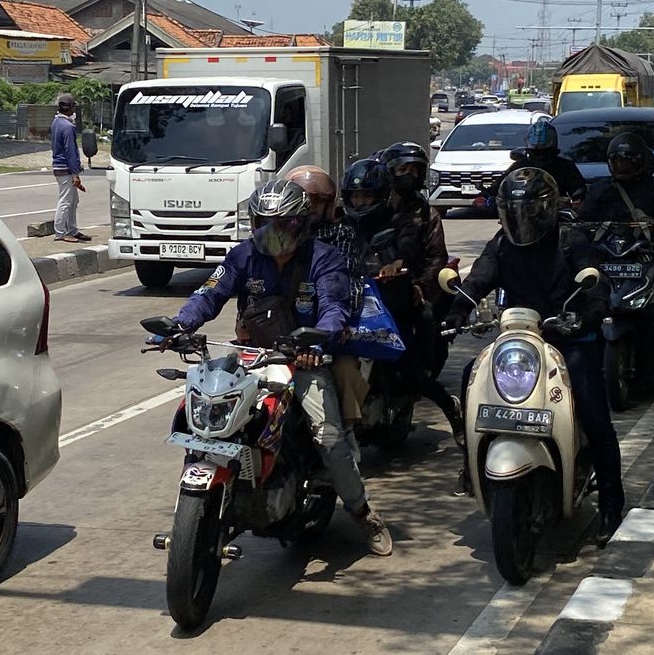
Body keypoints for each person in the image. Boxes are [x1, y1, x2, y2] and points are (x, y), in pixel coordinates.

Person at [172, 179, 393, 556]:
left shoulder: (324, 258)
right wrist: (180, 325)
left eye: (283, 224)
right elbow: (209, 293)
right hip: (252, 358)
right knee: (207, 419)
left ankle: (362, 512)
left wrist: (316, 341)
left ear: (301, 223)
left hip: (303, 360)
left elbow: (334, 306)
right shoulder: (242, 256)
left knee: (328, 437)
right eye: (264, 223)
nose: (272, 233)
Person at [445, 168, 625, 543]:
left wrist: (588, 311)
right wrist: (456, 310)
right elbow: (478, 279)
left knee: (593, 412)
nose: (520, 221)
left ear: (545, 210)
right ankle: (470, 462)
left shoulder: (570, 241)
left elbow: (597, 285)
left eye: (527, 213)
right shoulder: (501, 245)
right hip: (518, 343)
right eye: (512, 213)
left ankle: (611, 504)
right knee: (468, 375)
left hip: (568, 339)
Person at [581, 132, 654, 398]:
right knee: (572, 294)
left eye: (628, 159)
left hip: (647, 256)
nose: (622, 165)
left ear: (641, 161)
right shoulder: (600, 188)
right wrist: (575, 239)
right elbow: (581, 221)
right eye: (617, 160)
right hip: (606, 259)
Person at [376, 143, 465, 440]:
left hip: (408, 290)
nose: (410, 175)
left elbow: (436, 257)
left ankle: (438, 394)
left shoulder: (427, 214)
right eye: (404, 169)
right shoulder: (375, 208)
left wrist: (418, 287)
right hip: (372, 288)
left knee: (422, 325)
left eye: (416, 170)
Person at [284, 165, 369, 452]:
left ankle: (344, 440)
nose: (308, 207)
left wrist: (328, 332)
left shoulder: (339, 237)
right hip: (279, 333)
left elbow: (343, 291)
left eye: (317, 201)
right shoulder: (277, 235)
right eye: (302, 200)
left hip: (322, 332)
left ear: (330, 203)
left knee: (343, 372)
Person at [479, 119, 587, 206]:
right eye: (536, 152)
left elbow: (578, 189)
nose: (540, 157)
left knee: (573, 232)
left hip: (554, 217)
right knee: (502, 234)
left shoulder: (565, 166)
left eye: (544, 152)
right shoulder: (519, 166)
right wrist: (486, 195)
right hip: (520, 216)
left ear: (553, 148)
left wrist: (576, 200)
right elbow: (502, 183)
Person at [50, 93, 88, 244]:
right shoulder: (68, 127)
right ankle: (60, 232)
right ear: (71, 107)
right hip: (65, 169)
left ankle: (72, 230)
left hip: (59, 167)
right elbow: (71, 152)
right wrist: (75, 174)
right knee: (66, 201)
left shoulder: (56, 122)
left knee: (73, 201)